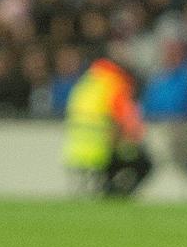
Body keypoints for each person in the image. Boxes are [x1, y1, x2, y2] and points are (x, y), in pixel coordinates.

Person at [64, 50, 154, 198]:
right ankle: (116, 195)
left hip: (77, 151)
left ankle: (109, 193)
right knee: (145, 163)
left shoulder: (85, 83)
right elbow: (127, 122)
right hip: (102, 149)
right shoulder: (115, 84)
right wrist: (136, 138)